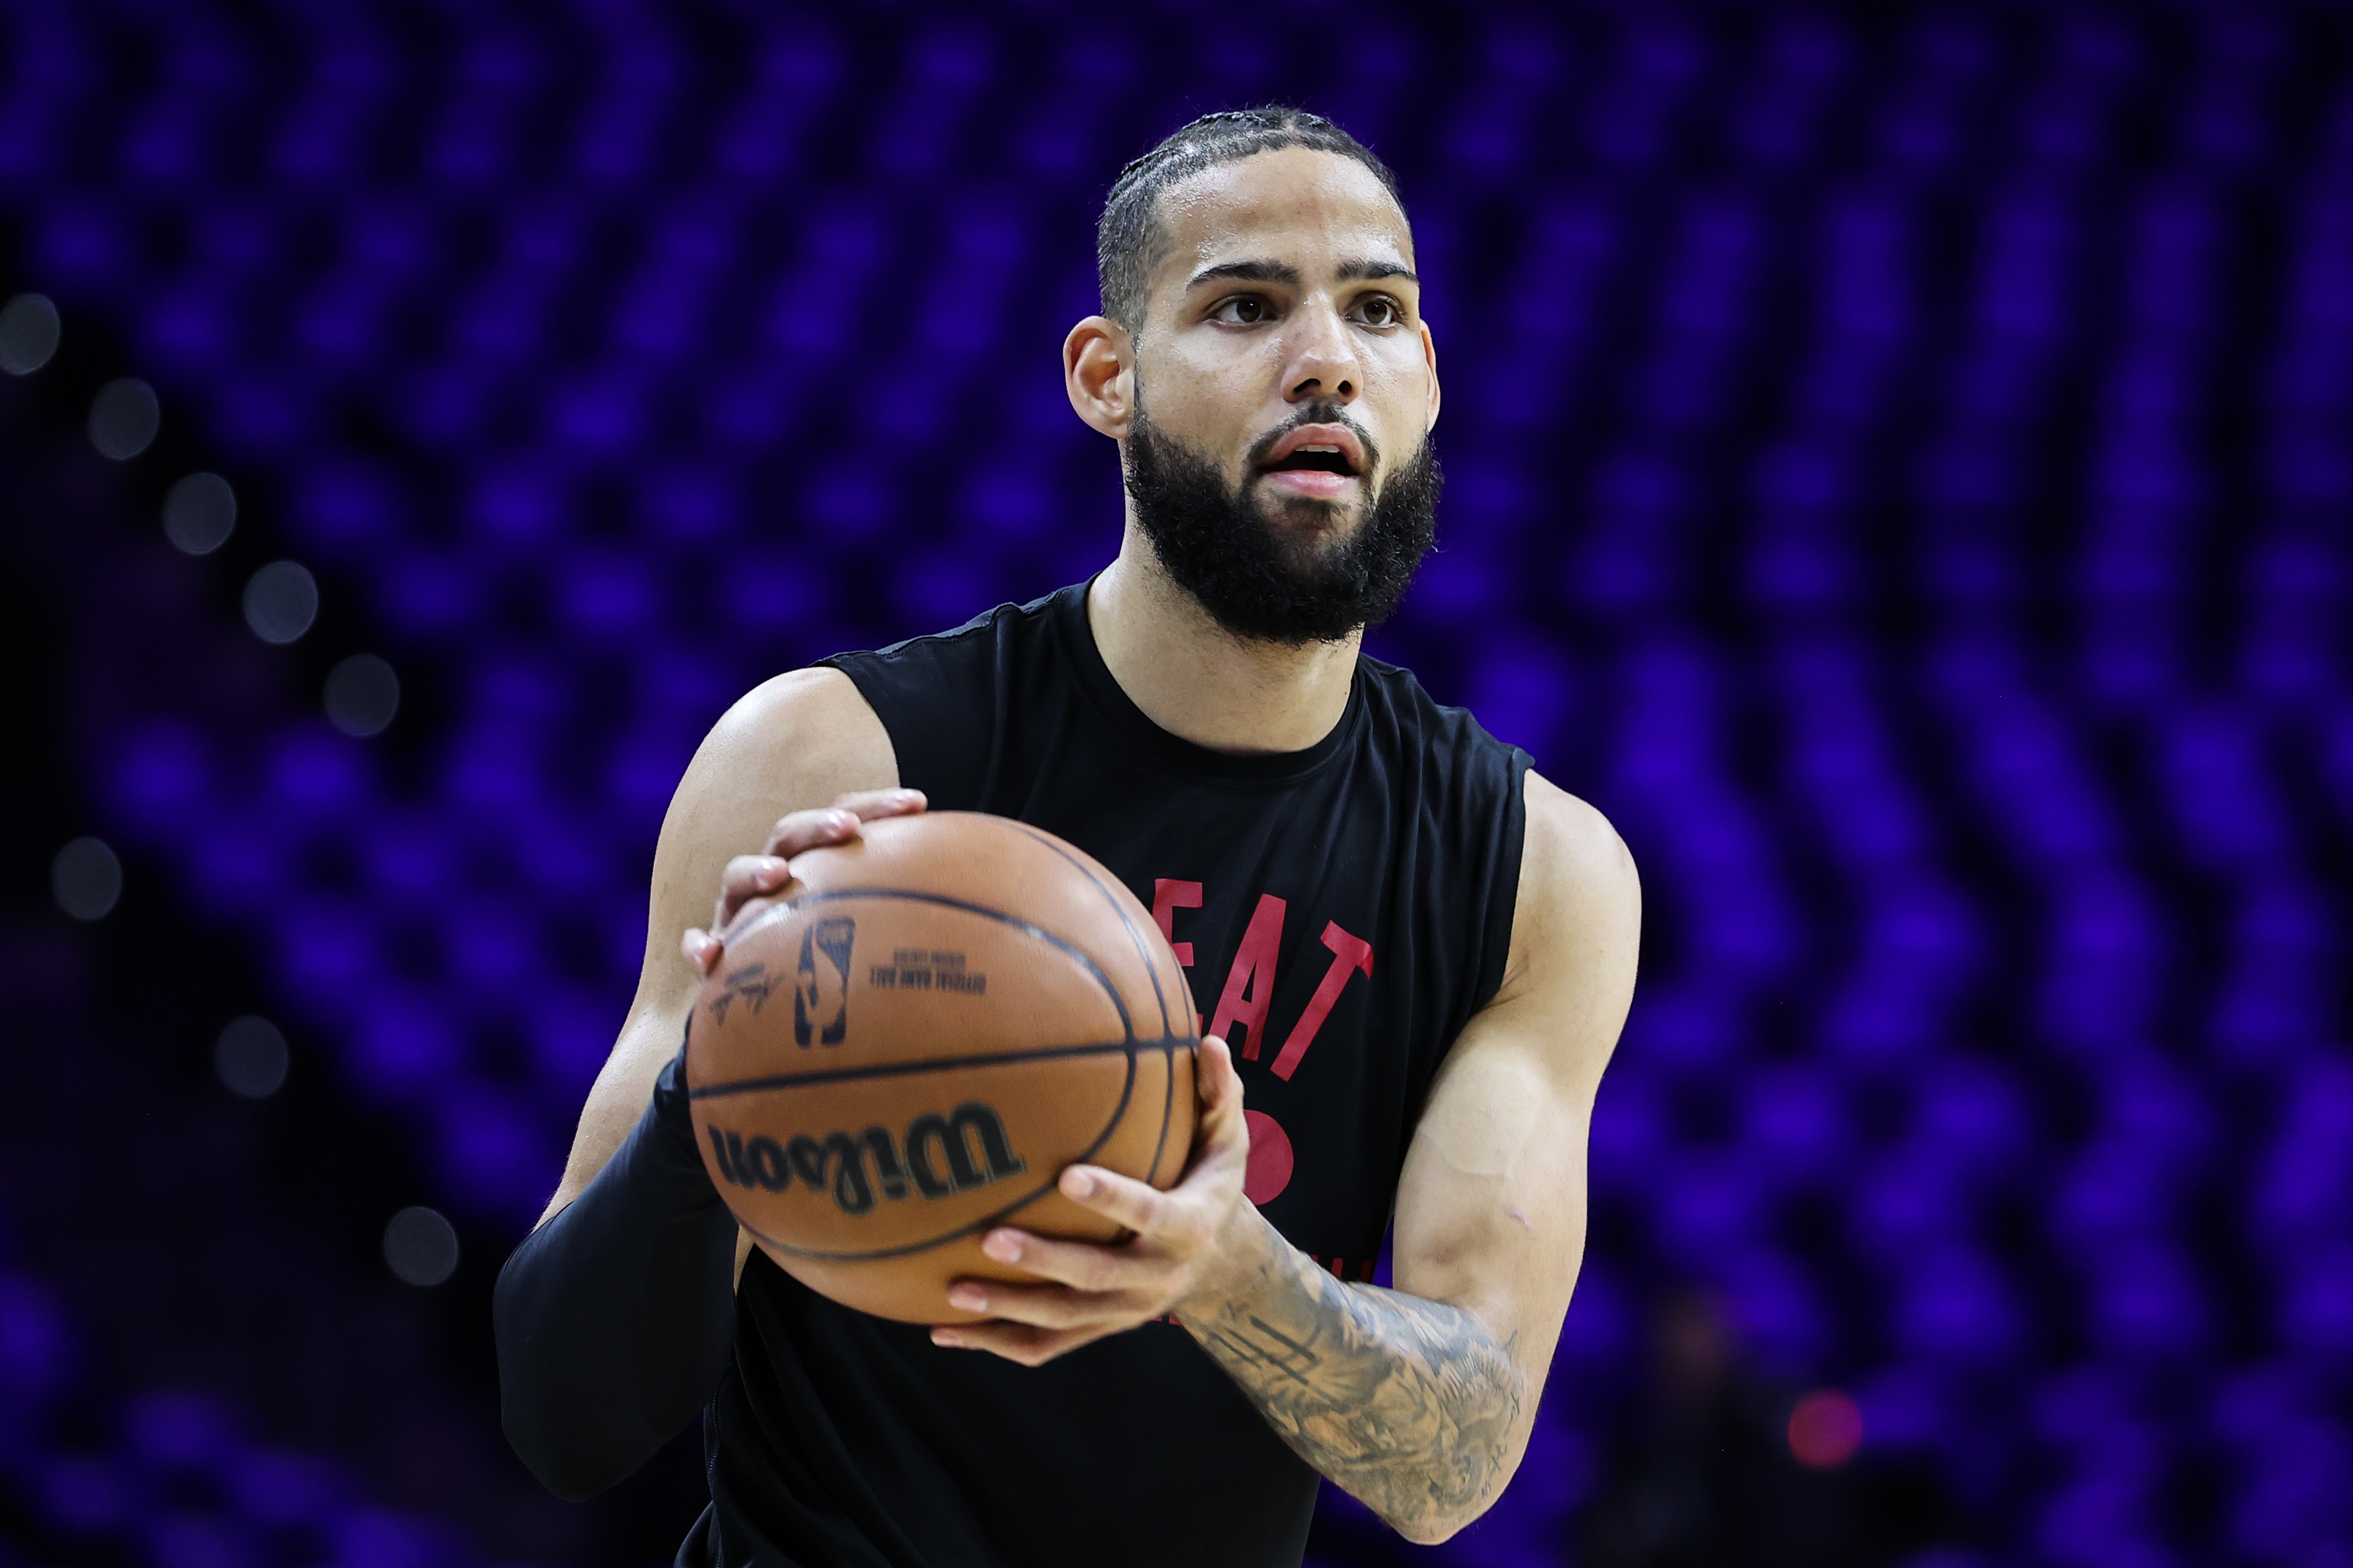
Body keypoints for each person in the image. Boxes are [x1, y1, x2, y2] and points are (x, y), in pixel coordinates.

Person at [495, 106, 1641, 1568]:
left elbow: (1454, 1468)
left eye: (1380, 311)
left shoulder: (1534, 872)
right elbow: (563, 1415)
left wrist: (1220, 1270)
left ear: (1427, 379)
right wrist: (714, 1095)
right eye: (1243, 305)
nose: (1327, 358)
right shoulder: (835, 758)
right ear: (1110, 377)